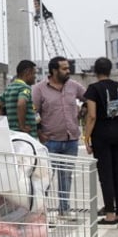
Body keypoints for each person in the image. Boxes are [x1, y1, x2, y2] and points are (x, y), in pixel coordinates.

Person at [32, 56, 86, 214]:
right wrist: (39, 132)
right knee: (46, 178)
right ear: (54, 70)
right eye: (64, 68)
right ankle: (43, 211)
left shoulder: (74, 86)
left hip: (71, 140)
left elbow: (90, 99)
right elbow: (33, 111)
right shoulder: (39, 89)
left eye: (68, 68)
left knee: (66, 177)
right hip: (50, 141)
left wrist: (83, 111)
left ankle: (64, 209)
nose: (68, 71)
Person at [83, 58, 118, 225]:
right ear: (110, 70)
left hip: (101, 135)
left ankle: (109, 214)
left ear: (95, 71)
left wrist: (86, 137)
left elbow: (92, 115)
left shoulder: (93, 89)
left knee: (105, 175)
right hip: (117, 132)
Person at [0, 60, 37, 137]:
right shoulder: (24, 88)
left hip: (13, 134)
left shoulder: (9, 88)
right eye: (34, 73)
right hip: (27, 137)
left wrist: (4, 125)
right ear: (27, 72)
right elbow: (21, 103)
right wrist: (22, 126)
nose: (35, 76)